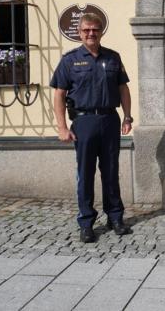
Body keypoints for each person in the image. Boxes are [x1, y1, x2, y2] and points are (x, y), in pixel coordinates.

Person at [51, 13, 134, 243]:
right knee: (85, 174)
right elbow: (59, 94)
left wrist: (127, 117)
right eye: (86, 30)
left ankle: (115, 217)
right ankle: (86, 222)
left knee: (111, 172)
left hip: (109, 120)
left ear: (101, 31)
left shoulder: (113, 58)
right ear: (80, 32)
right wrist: (62, 126)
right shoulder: (70, 60)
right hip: (83, 122)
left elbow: (123, 89)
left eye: (95, 30)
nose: (91, 33)